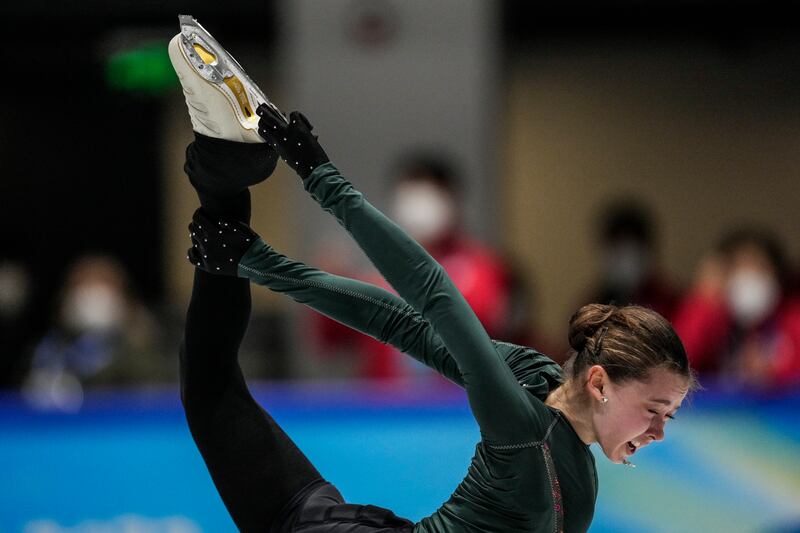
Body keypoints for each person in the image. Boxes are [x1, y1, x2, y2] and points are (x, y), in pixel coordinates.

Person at [170, 17, 694, 533]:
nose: (659, 432)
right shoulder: (524, 427)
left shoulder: (537, 383)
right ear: (599, 382)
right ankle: (223, 175)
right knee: (212, 388)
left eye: (667, 416)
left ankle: (223, 170)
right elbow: (432, 295)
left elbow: (407, 326)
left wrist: (261, 262)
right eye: (655, 410)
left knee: (212, 387)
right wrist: (316, 181)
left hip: (342, 524)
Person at [310, 153, 513, 380]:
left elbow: (480, 323)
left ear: (452, 198)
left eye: (428, 193)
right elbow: (333, 339)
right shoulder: (376, 263)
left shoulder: (480, 266)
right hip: (383, 397)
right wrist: (329, 288)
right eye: (409, 193)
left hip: (455, 397)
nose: (417, 206)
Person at [673, 228, 800, 389]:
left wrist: (775, 373)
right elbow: (677, 363)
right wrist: (704, 301)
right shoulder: (712, 316)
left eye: (760, 267)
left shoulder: (793, 318)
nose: (750, 276)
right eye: (740, 267)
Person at [587, 199, 678, 320]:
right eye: (614, 251)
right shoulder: (593, 303)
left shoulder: (670, 303)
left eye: (626, 251)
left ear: (645, 251)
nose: (620, 261)